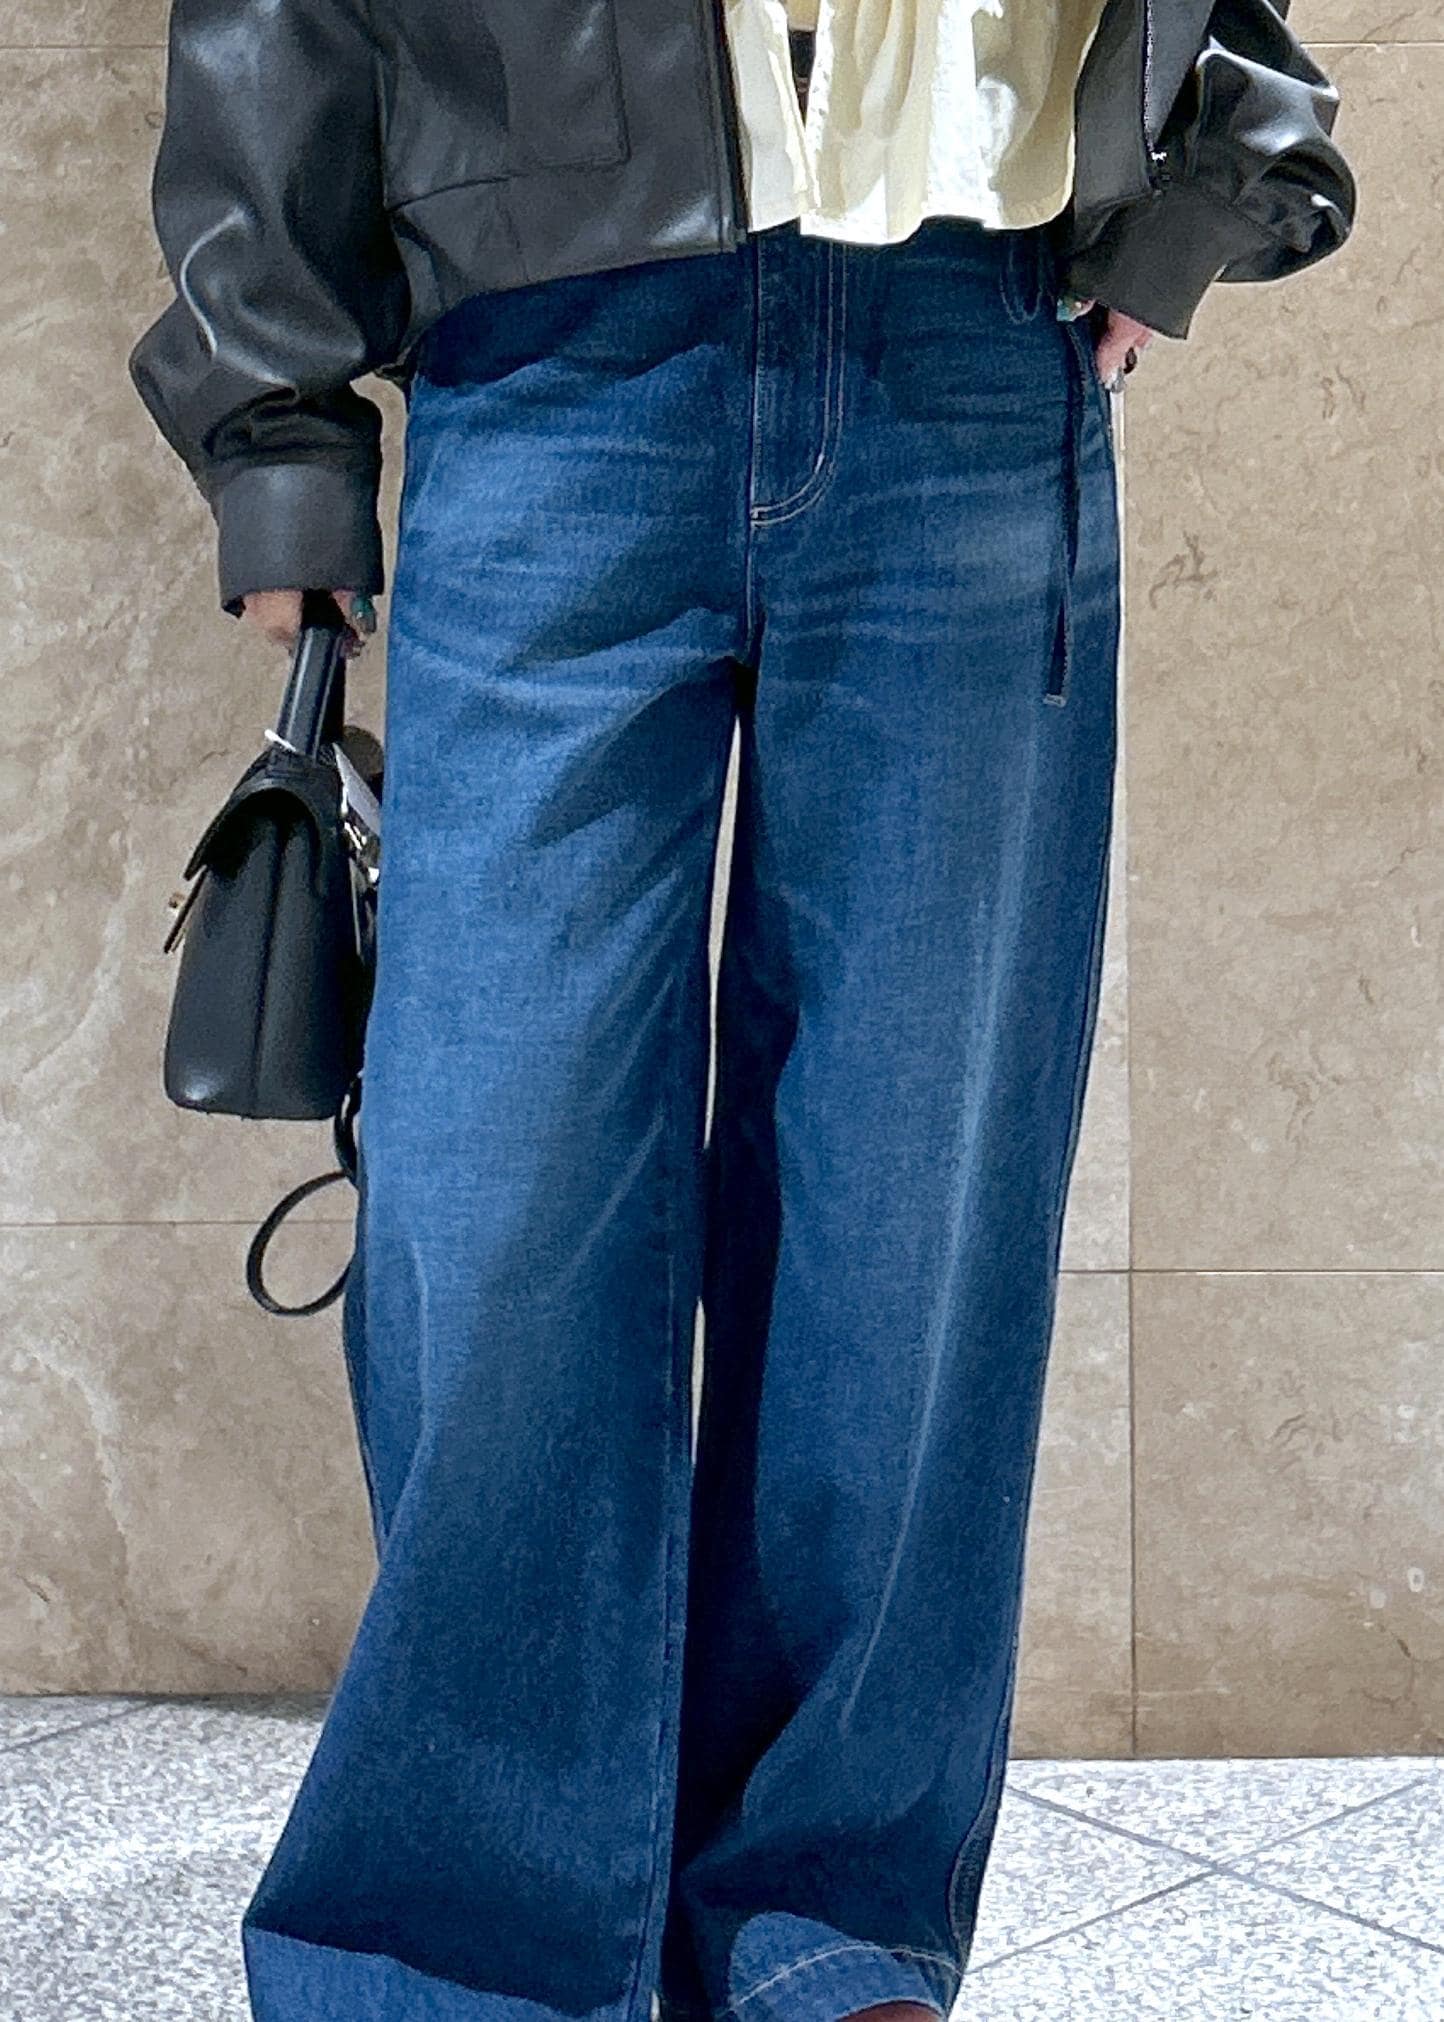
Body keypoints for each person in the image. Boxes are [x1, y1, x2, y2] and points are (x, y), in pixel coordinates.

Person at [128, 5, 1353, 2020]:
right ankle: (459, 1962)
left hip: (975, 338)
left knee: (907, 1213)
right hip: (553, 352)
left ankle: (824, 1934)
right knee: (503, 1204)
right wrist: (274, 423)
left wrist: (1206, 183)